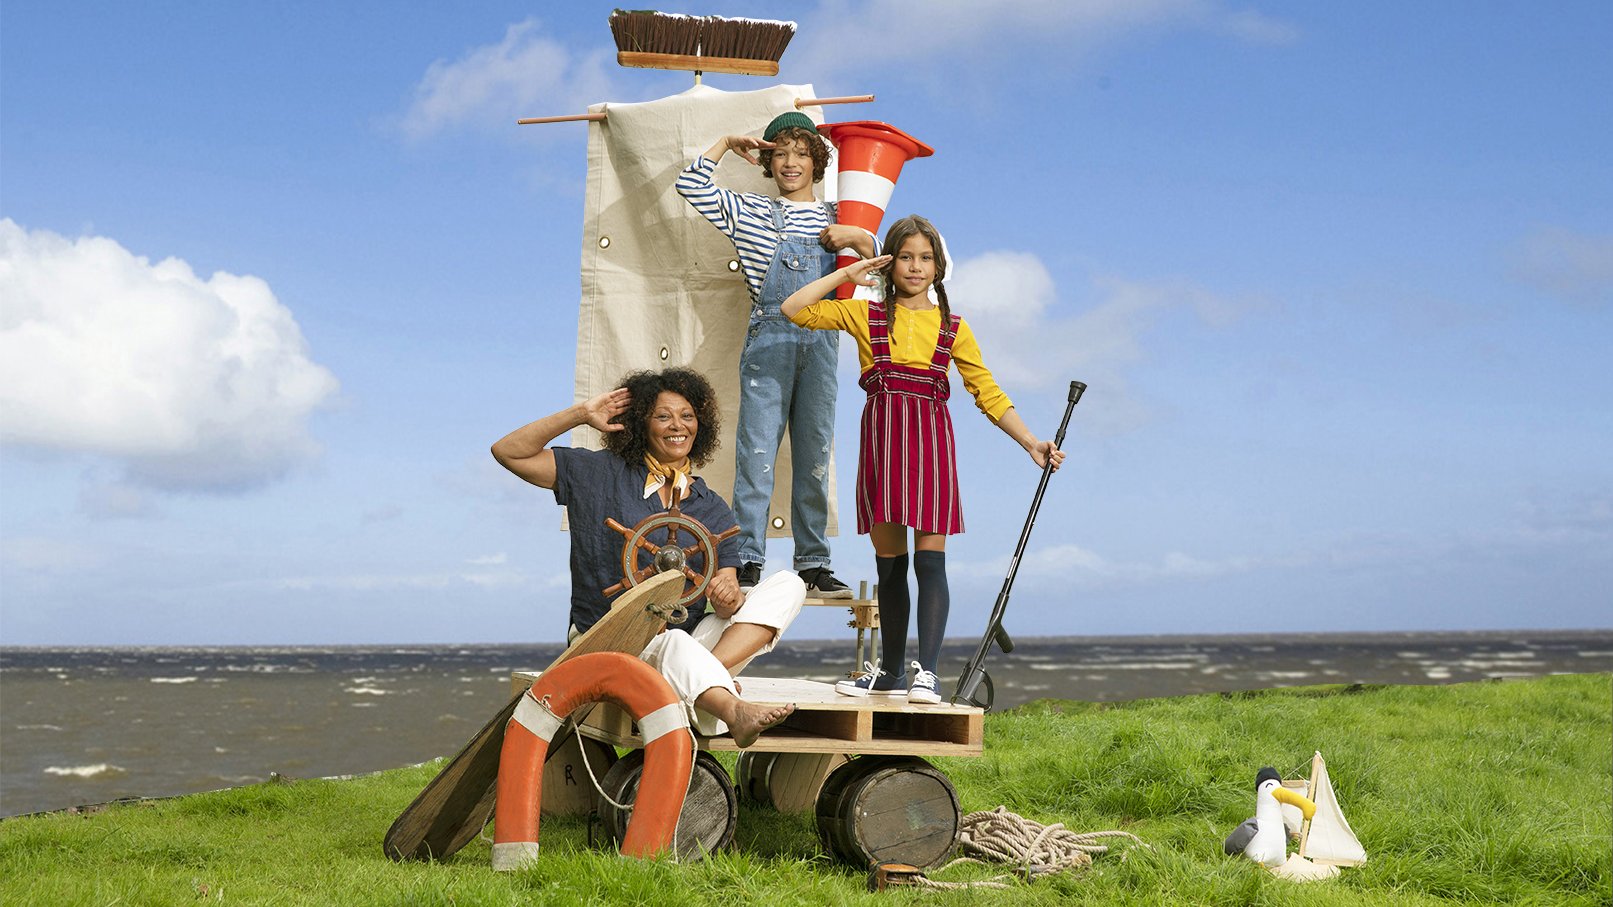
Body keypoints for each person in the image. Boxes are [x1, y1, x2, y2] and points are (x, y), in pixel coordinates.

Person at [782, 215, 1065, 704]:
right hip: (882, 446)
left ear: (939, 267)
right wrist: (849, 274)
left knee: (930, 563)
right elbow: (794, 308)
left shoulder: (954, 327)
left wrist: (1031, 442)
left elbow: (988, 393)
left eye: (926, 258)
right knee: (890, 566)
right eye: (906, 257)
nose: (916, 267)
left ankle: (926, 674)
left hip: (931, 447)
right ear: (889, 263)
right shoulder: (861, 313)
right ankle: (890, 673)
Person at [491, 368, 803, 747]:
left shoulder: (711, 508)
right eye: (663, 416)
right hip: (608, 638)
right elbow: (507, 451)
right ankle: (730, 707)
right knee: (672, 643)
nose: (678, 426)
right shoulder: (597, 473)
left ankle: (705, 679)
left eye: (687, 416)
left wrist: (728, 595)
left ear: (699, 425)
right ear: (641, 423)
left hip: (683, 643)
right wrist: (581, 414)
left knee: (789, 585)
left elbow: (728, 595)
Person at [675, 111, 878, 599]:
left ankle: (813, 565)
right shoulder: (748, 212)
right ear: (767, 160)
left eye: (801, 153)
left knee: (814, 452)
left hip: (823, 342)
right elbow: (690, 184)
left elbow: (883, 267)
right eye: (780, 153)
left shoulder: (841, 215)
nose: (790, 163)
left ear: (817, 161)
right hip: (770, 339)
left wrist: (858, 238)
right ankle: (746, 559)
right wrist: (724, 139)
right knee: (757, 454)